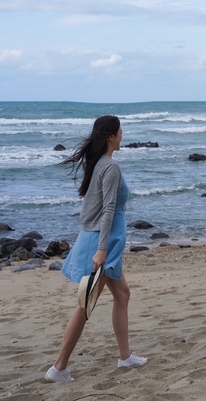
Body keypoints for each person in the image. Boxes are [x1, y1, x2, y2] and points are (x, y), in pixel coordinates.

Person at [45, 115, 147, 383]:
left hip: (104, 242)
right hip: (102, 244)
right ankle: (58, 368)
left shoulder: (98, 163)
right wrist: (101, 249)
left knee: (123, 294)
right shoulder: (110, 167)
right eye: (121, 131)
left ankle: (125, 357)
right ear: (111, 137)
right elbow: (108, 210)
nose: (123, 134)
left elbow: (93, 207)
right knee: (85, 304)